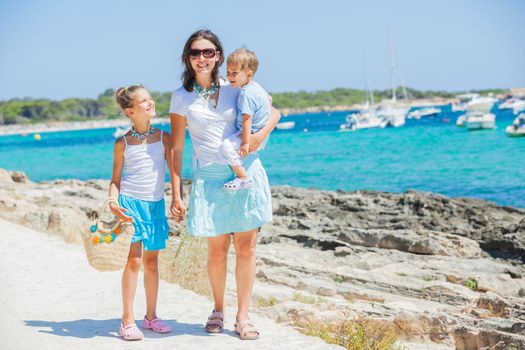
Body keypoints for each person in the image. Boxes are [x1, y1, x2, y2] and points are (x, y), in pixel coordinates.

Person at [169, 29, 281, 340]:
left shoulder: (235, 85)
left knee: (247, 250)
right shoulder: (181, 97)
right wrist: (176, 194)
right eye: (195, 53)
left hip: (245, 175)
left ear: (218, 55)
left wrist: (259, 136)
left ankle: (243, 316)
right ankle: (218, 308)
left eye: (208, 52)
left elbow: (273, 111)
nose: (201, 58)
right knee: (217, 253)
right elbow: (177, 148)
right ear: (187, 58)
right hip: (210, 179)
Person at [109, 85, 177, 341]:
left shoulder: (164, 137)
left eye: (150, 98)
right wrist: (113, 201)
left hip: (155, 204)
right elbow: (115, 180)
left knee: (151, 262)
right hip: (130, 205)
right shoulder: (122, 143)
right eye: (143, 101)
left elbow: (173, 173)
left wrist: (176, 199)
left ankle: (151, 316)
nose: (150, 102)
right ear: (130, 111)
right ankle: (127, 319)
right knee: (134, 261)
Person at [220, 48, 270, 191]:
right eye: (228, 72)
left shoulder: (246, 94)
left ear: (249, 74)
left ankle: (243, 177)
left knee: (226, 147)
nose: (230, 77)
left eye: (234, 73)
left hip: (249, 134)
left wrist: (246, 143)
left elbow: (247, 119)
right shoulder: (258, 88)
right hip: (259, 133)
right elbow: (269, 101)